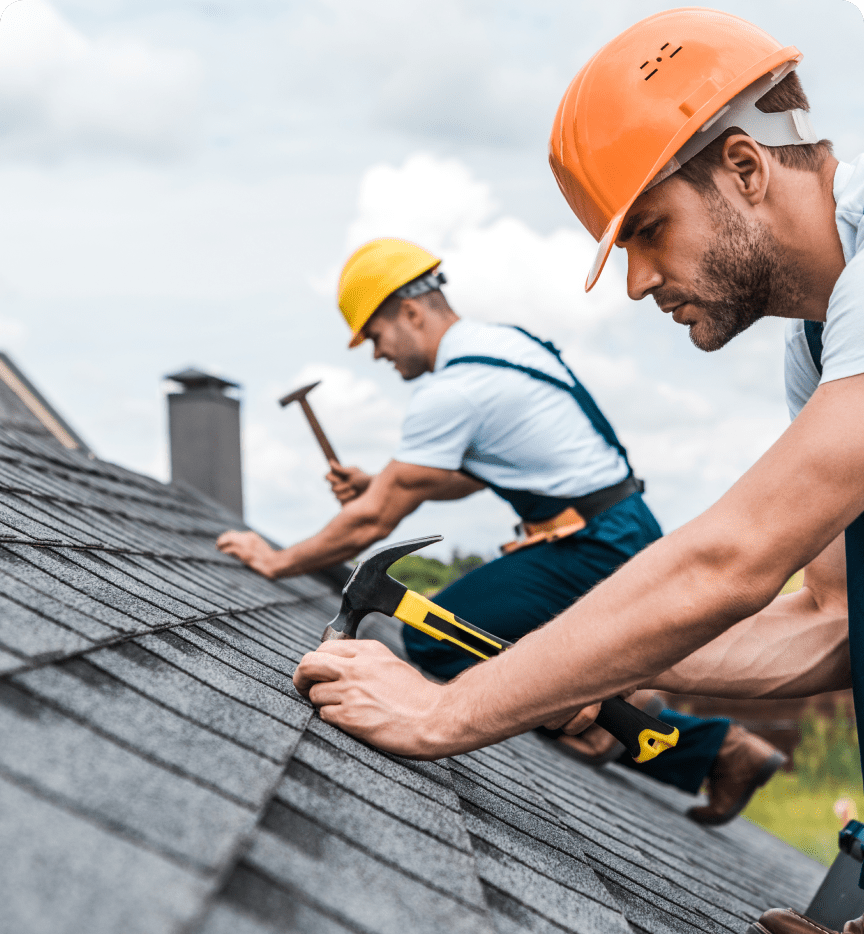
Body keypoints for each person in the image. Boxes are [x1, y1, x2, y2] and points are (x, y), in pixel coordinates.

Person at [290, 9, 864, 934]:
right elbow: (830, 621)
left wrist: (447, 709)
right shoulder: (815, 349)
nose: (638, 281)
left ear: (744, 167)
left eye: (648, 230)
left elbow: (732, 561)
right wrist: (573, 669)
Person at [217, 235, 785, 823]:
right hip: (613, 528)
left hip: (591, 545)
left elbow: (375, 519)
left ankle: (671, 734)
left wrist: (277, 559)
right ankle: (666, 730)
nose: (379, 355)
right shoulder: (504, 347)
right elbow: (467, 476)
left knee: (436, 639)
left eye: (377, 337)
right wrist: (382, 481)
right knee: (522, 652)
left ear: (410, 312)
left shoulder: (455, 388)